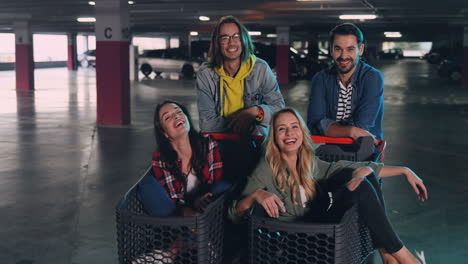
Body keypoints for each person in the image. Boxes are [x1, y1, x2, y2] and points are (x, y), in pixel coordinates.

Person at [232, 108, 428, 264]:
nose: (289, 133)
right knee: (360, 178)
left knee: (363, 174)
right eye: (282, 129)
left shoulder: (309, 161)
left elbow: (352, 166)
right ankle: (401, 258)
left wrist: (404, 170)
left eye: (294, 127)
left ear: (302, 132)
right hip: (296, 244)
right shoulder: (266, 169)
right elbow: (233, 214)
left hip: (323, 231)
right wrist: (255, 196)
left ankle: (389, 254)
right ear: (274, 136)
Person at [135, 100, 227, 264]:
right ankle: (200, 242)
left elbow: (215, 186)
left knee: (223, 188)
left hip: (207, 212)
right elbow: (175, 200)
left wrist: (203, 200)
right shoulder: (161, 158)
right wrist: (188, 212)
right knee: (147, 184)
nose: (176, 116)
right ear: (165, 133)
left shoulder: (208, 144)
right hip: (178, 218)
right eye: (167, 117)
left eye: (178, 112)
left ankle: (168, 254)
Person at [196, 15, 285, 136]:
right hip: (219, 143)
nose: (231, 42)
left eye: (236, 36)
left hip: (256, 142)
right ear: (217, 43)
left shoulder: (260, 68)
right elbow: (206, 124)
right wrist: (243, 121)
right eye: (225, 38)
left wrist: (255, 112)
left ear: (244, 40)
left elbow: (279, 110)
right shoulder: (206, 74)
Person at [307, 23, 384, 140]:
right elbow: (314, 125)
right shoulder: (320, 79)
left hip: (364, 152)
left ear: (361, 50)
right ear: (331, 50)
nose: (343, 56)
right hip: (327, 152)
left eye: (350, 49)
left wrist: (329, 127)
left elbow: (363, 127)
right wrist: (352, 131)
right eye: (338, 49)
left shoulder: (372, 77)